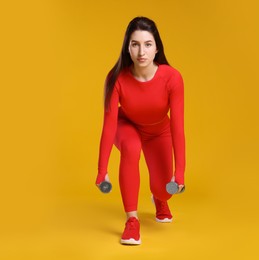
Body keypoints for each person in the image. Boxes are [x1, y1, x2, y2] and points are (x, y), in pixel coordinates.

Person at [96, 16, 186, 245]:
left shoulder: (172, 78)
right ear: (128, 47)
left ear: (157, 48)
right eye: (135, 44)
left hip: (159, 131)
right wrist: (102, 170)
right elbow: (108, 126)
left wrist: (180, 172)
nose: (141, 51)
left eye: (147, 44)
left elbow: (177, 127)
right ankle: (132, 222)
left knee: (164, 189)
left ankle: (160, 198)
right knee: (131, 147)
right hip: (127, 126)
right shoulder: (115, 77)